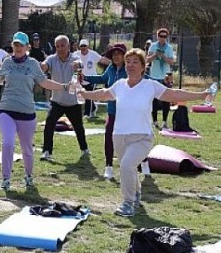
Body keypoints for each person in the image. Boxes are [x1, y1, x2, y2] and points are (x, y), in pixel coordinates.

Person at [78, 48, 211, 217]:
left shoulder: (150, 85)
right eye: (128, 62)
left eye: (135, 62)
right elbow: (104, 94)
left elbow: (173, 94)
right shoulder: (119, 85)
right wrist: (84, 93)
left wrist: (201, 95)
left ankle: (127, 203)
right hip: (119, 136)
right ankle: (136, 193)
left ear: (143, 66)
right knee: (129, 167)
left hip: (142, 137)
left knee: (126, 165)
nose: (130, 65)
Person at [0, 32, 72, 194]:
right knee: (8, 143)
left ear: (27, 47)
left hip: (27, 112)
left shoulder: (33, 64)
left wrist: (65, 86)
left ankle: (29, 176)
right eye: (15, 45)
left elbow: (44, 82)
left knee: (27, 149)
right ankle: (6, 178)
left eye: (20, 45)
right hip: (6, 109)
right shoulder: (7, 62)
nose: (17, 48)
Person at [39, 35, 89, 161]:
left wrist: (78, 67)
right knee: (49, 124)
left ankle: (84, 149)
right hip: (57, 101)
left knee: (78, 127)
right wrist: (41, 67)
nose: (60, 49)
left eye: (63, 46)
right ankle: (46, 151)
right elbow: (44, 66)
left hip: (73, 102)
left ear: (68, 46)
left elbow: (79, 64)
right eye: (57, 46)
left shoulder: (74, 58)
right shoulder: (51, 59)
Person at [83, 43, 127, 180]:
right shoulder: (111, 69)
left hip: (128, 112)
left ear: (124, 55)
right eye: (114, 54)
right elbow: (102, 78)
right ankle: (108, 166)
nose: (116, 56)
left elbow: (145, 79)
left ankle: (144, 163)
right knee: (109, 136)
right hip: (113, 111)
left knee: (132, 139)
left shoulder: (130, 69)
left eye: (119, 53)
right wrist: (85, 77)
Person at [73, 38, 111, 118]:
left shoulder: (93, 54)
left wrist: (113, 63)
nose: (83, 48)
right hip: (80, 79)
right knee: (81, 95)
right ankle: (93, 108)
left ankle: (87, 114)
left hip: (92, 79)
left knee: (88, 95)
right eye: (81, 46)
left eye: (85, 46)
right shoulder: (76, 54)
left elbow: (102, 60)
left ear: (88, 47)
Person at [147, 28, 175, 129]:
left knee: (166, 99)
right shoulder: (153, 46)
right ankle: (154, 121)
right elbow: (147, 59)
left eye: (164, 36)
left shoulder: (169, 48)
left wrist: (163, 57)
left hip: (165, 77)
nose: (162, 38)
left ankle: (164, 121)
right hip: (154, 76)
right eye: (161, 36)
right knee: (154, 100)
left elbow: (172, 62)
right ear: (157, 36)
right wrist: (155, 55)